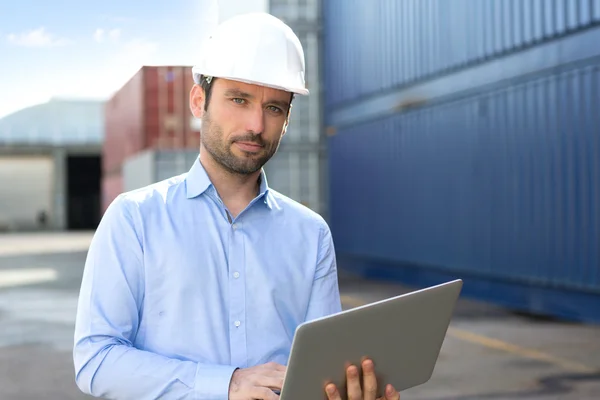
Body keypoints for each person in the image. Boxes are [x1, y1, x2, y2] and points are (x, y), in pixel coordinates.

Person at [73, 12, 400, 400]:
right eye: (239, 100)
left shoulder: (310, 234)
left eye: (274, 108)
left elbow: (320, 370)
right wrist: (226, 383)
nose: (256, 125)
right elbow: (96, 361)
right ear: (199, 101)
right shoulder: (134, 219)